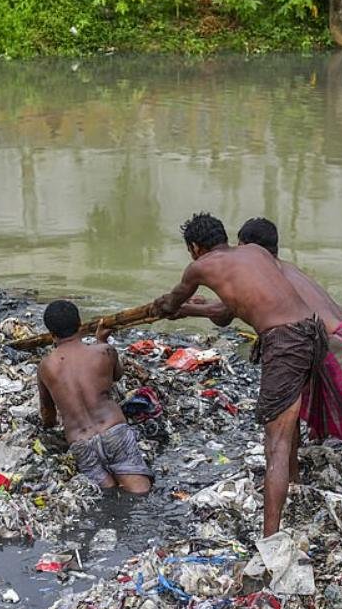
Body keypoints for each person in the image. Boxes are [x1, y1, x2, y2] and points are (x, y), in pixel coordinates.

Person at [191, 217, 342, 503]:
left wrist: (184, 308)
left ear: (249, 248)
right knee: (289, 412)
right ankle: (292, 481)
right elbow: (229, 308)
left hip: (335, 344)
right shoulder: (282, 270)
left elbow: (227, 311)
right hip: (334, 335)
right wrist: (196, 309)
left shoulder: (271, 274)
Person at [153, 213, 326, 536]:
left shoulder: (199, 267)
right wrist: (191, 309)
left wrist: (164, 307)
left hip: (285, 342)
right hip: (313, 332)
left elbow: (172, 302)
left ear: (194, 247)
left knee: (275, 442)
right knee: (288, 423)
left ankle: (270, 538)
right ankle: (295, 484)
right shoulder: (256, 254)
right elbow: (224, 315)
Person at [37, 300, 153, 494]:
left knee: (106, 495)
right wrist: (102, 341)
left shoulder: (45, 367)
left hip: (81, 443)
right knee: (139, 493)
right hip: (114, 432)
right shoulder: (104, 352)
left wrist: (48, 429)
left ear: (51, 334)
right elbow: (117, 375)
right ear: (80, 324)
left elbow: (48, 414)